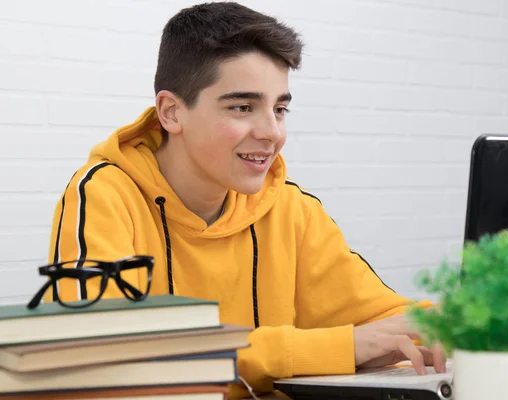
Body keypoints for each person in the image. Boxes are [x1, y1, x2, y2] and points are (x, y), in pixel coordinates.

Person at [44, 2, 445, 398]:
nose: (272, 132)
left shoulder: (292, 209)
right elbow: (100, 356)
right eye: (242, 107)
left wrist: (456, 326)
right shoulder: (103, 195)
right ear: (171, 112)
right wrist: (340, 348)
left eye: (280, 108)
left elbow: (385, 320)